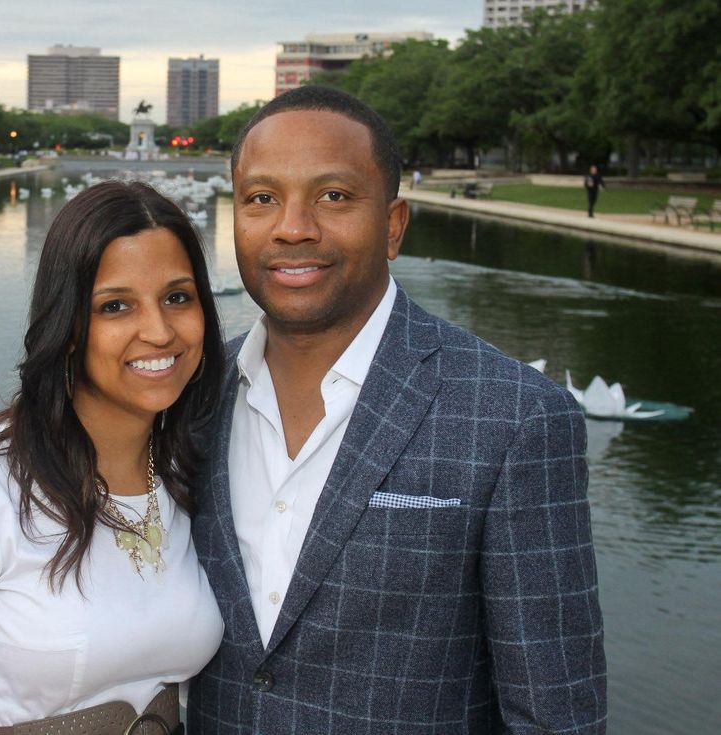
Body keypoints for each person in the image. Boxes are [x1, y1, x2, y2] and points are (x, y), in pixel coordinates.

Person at [189, 86, 606, 733]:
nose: (292, 227)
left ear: (393, 225)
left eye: (334, 196)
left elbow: (554, 713)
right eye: (261, 198)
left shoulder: (516, 417)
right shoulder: (189, 397)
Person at [0, 181, 225, 734]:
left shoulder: (187, 476)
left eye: (178, 297)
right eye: (115, 306)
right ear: (68, 326)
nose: (159, 332)